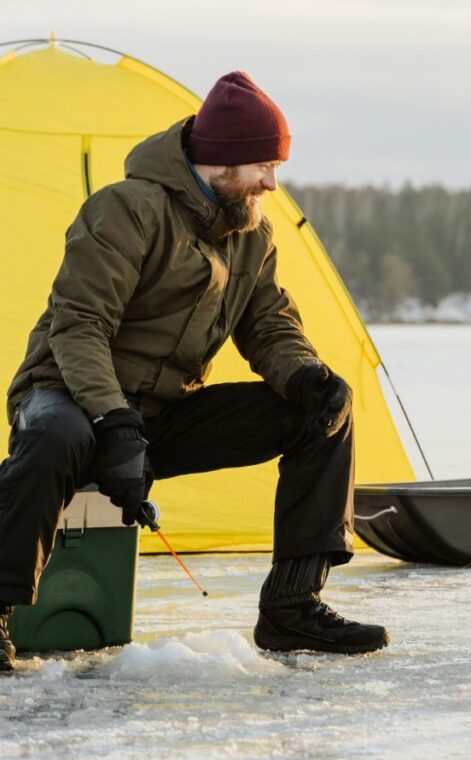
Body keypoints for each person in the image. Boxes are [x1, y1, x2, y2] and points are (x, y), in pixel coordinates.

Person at [0, 72, 389, 673]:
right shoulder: (126, 211)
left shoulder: (252, 232)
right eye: (263, 164)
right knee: (59, 437)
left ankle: (292, 605)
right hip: (67, 393)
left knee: (321, 414)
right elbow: (78, 327)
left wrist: (307, 376)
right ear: (222, 161)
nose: (272, 181)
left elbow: (268, 325)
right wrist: (112, 420)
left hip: (161, 413)